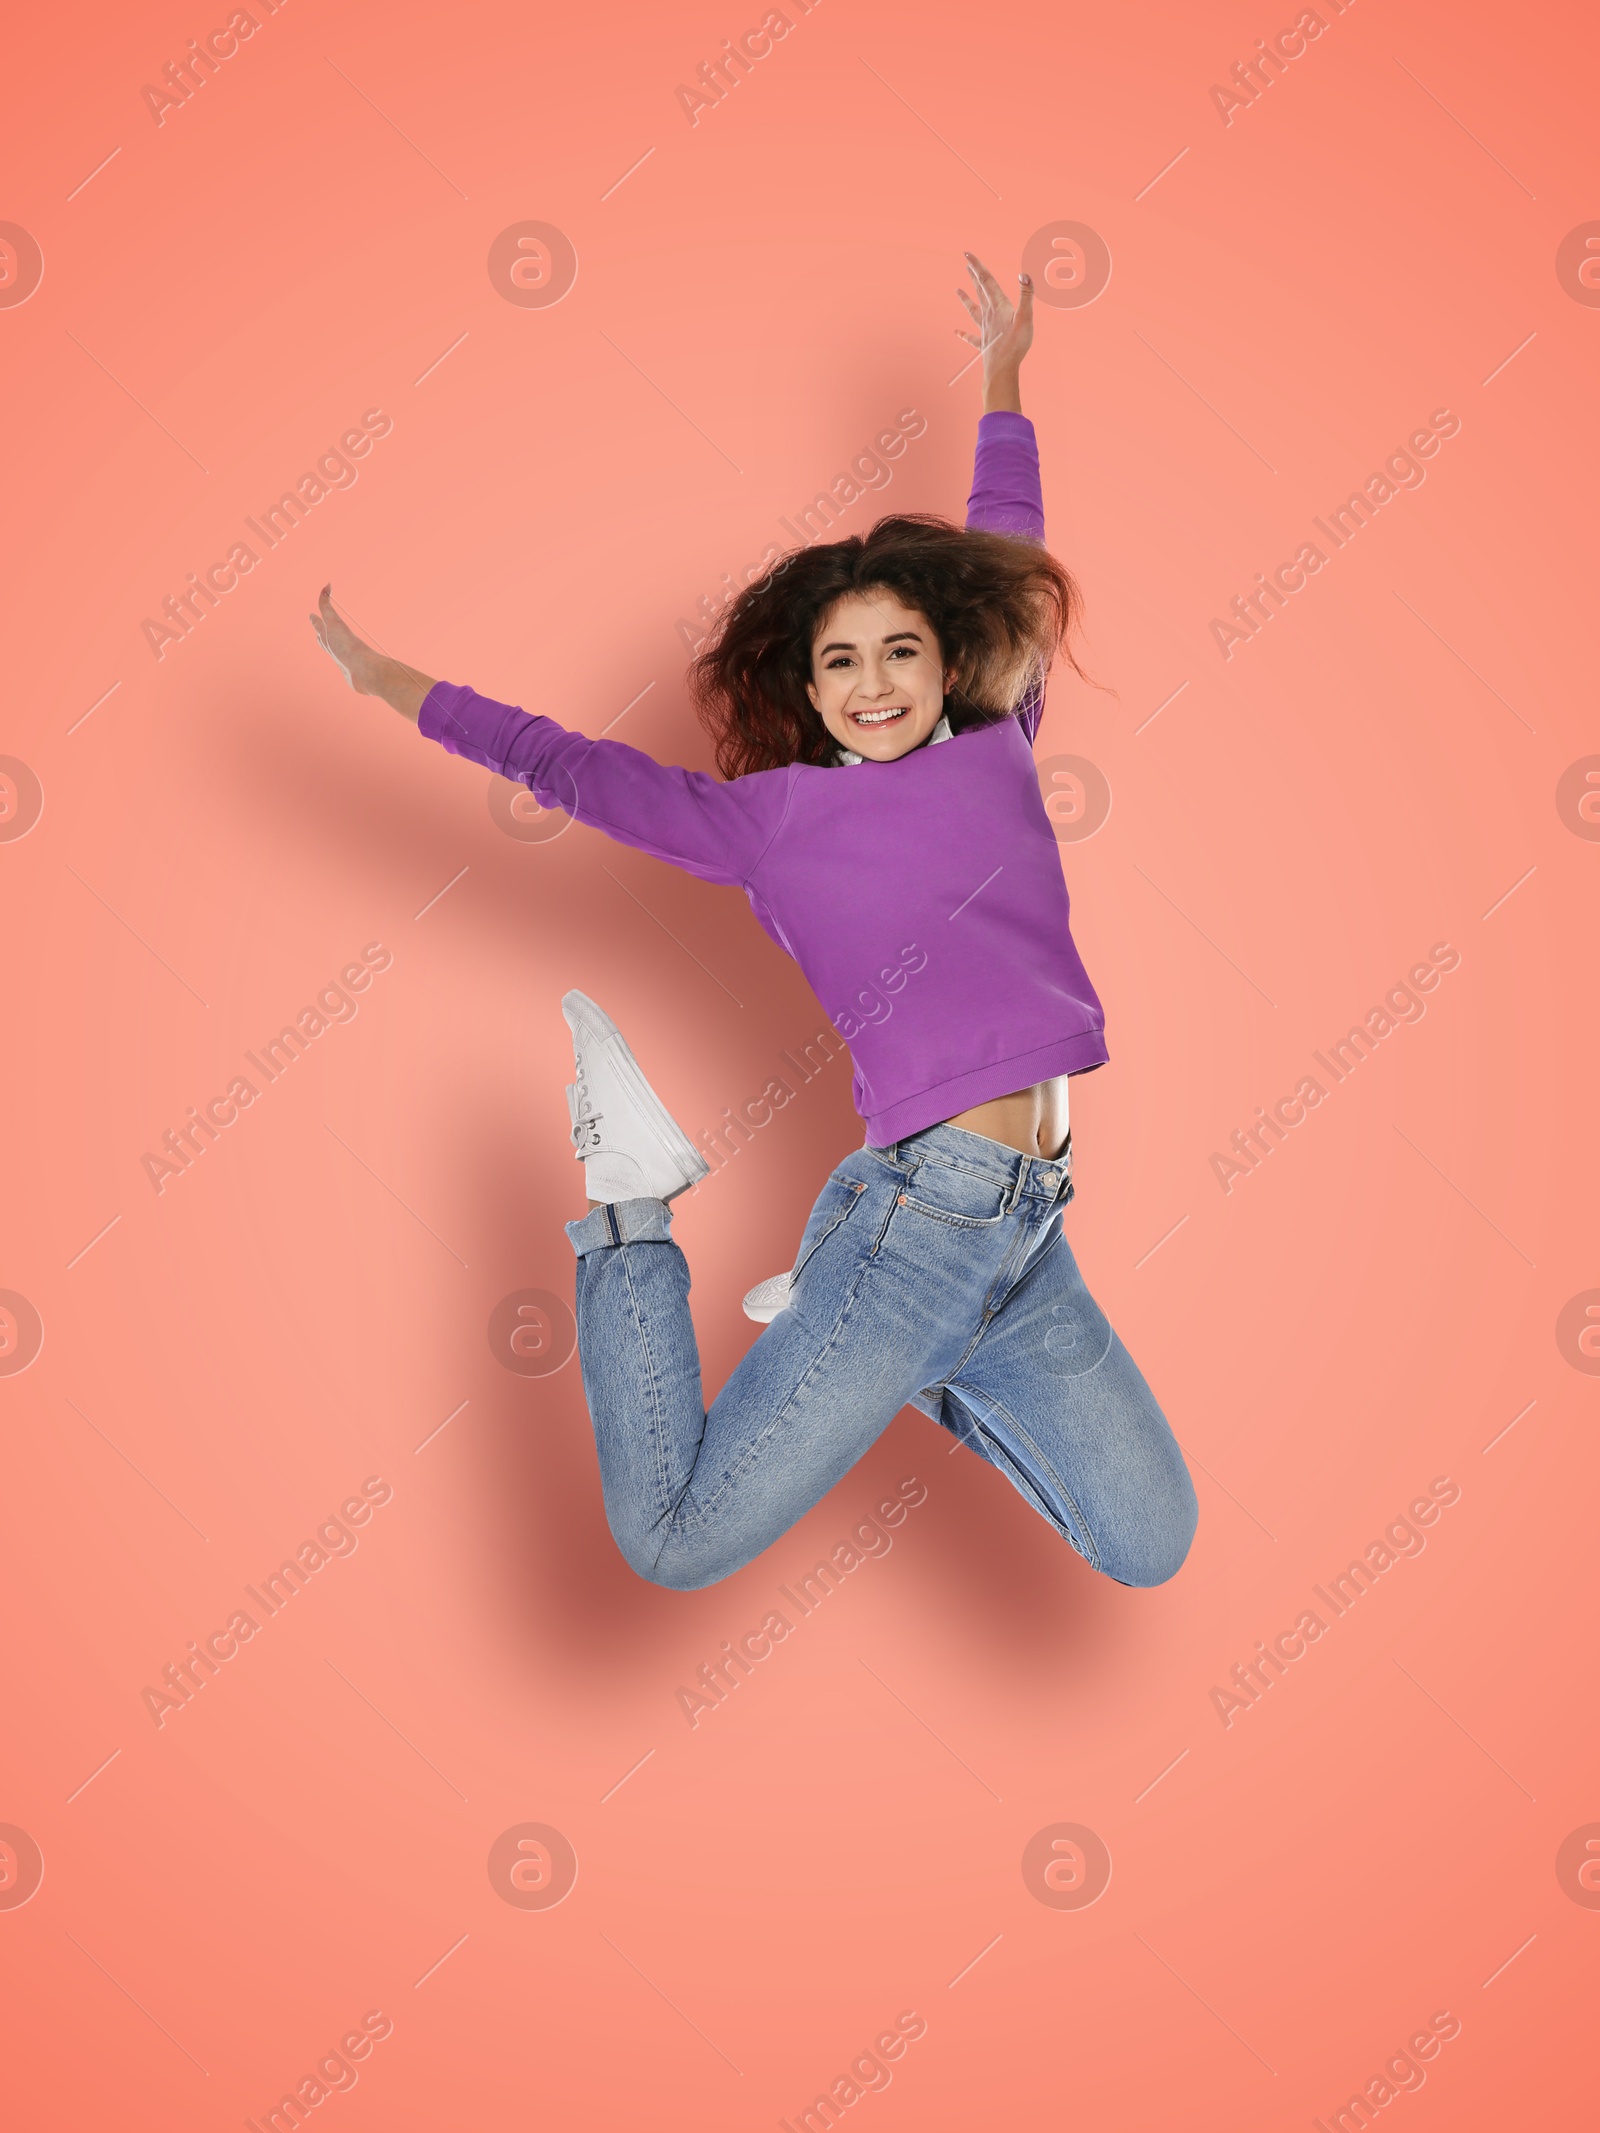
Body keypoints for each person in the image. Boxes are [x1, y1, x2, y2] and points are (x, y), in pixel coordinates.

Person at [309, 253, 1198, 1594]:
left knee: (1149, 1544)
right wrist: (395, 686)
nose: (873, 680)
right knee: (671, 1540)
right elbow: (572, 768)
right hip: (922, 1221)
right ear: (811, 690)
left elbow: (1007, 547)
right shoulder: (768, 824)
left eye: (900, 648)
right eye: (839, 661)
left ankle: (883, 1340)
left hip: (1028, 1230)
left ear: (946, 659)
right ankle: (629, 1202)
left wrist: (1005, 372)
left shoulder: (996, 744)